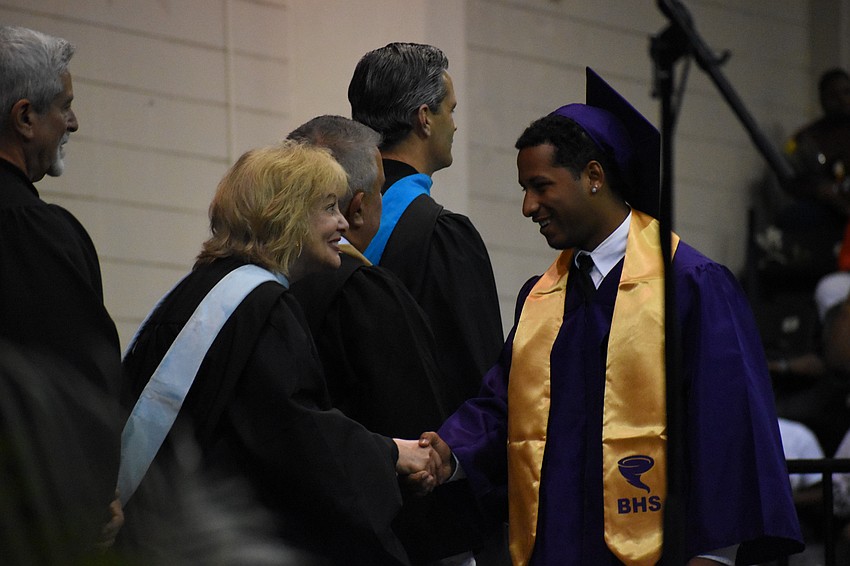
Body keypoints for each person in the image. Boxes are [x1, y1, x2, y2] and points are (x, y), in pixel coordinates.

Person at [431, 68, 804, 565]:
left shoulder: (689, 284)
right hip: (555, 549)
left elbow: (728, 426)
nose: (527, 206)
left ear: (593, 176)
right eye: (524, 188)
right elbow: (504, 405)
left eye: (541, 186)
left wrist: (716, 555)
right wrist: (445, 452)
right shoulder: (542, 297)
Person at [120, 140, 442, 566]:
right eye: (329, 207)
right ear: (287, 214)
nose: (344, 221)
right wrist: (391, 455)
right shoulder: (263, 305)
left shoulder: (203, 289)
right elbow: (295, 436)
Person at [287, 115, 502, 565]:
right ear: (359, 207)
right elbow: (413, 413)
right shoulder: (366, 292)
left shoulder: (262, 289)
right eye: (382, 191)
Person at [0, 25, 123, 557]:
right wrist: (93, 501)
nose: (74, 122)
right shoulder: (37, 234)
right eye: (65, 107)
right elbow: (75, 385)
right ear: (25, 117)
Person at [348, 42, 503, 413]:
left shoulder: (330, 224)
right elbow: (480, 381)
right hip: (426, 458)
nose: (454, 123)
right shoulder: (443, 238)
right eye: (450, 110)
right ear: (424, 118)